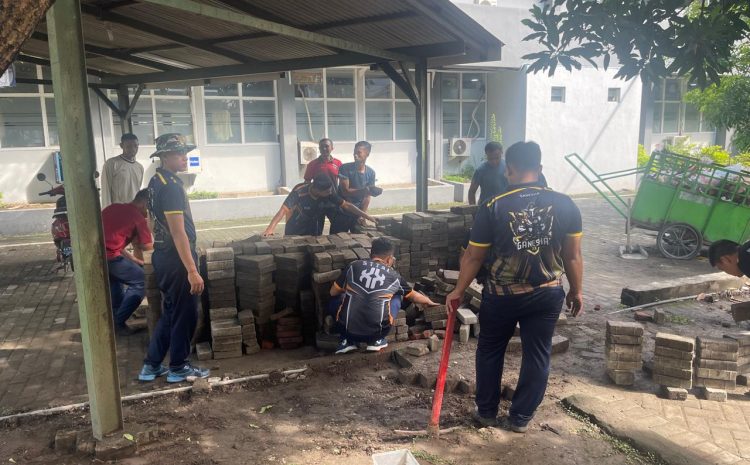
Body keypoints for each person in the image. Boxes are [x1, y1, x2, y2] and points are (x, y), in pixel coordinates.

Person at [445, 141, 584, 433]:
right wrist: (577, 290)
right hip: (547, 293)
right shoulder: (565, 203)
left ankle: (486, 412)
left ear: (509, 170)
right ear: (540, 169)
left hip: (503, 297)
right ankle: (520, 418)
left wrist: (458, 290)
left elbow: (474, 256)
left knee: (490, 350)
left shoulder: (494, 206)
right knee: (537, 353)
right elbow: (573, 255)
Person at [138, 133, 209, 384]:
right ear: (165, 157)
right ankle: (179, 367)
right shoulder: (171, 188)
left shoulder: (156, 183)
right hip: (177, 260)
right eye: (179, 154)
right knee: (186, 314)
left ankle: (152, 365)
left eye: (185, 153)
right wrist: (191, 269)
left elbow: (149, 222)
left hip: (163, 255)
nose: (184, 157)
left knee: (171, 313)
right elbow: (178, 232)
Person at [330, 237, 439, 353]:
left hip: (346, 330)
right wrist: (428, 301)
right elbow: (413, 295)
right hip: (377, 333)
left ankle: (346, 341)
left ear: (371, 254)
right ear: (389, 259)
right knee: (397, 295)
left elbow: (332, 292)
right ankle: (376, 341)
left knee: (339, 297)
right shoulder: (394, 276)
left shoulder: (353, 266)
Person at [102, 189, 153, 336]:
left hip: (99, 256)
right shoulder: (138, 218)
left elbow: (113, 241)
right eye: (150, 208)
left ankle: (114, 324)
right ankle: (117, 323)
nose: (149, 213)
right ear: (144, 203)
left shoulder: (113, 207)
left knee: (116, 287)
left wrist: (134, 260)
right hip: (111, 258)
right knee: (142, 281)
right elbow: (148, 248)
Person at [263, 174, 377, 237]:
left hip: (313, 225)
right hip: (296, 225)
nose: (329, 193)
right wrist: (270, 228)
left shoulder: (328, 193)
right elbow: (283, 210)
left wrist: (366, 216)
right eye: (326, 192)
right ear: (316, 189)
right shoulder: (299, 192)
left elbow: (346, 205)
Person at [330, 141, 382, 234]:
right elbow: (345, 191)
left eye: (359, 152)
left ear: (367, 154)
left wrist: (362, 214)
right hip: (342, 211)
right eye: (354, 152)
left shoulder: (371, 173)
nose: (355, 155)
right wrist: (365, 190)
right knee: (337, 241)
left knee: (359, 241)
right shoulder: (344, 168)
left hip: (357, 213)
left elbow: (367, 197)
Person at [101, 133, 143, 208]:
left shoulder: (139, 167)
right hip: (117, 210)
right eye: (128, 146)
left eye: (135, 146)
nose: (133, 149)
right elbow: (106, 191)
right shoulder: (112, 164)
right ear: (121, 146)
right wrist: (107, 212)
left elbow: (137, 190)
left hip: (134, 210)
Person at [468, 142, 507, 206]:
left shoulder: (509, 167)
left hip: (505, 207)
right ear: (486, 155)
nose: (494, 162)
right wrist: (473, 211)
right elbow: (472, 191)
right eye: (490, 158)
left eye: (497, 158)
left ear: (502, 153)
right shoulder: (480, 170)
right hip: (486, 208)